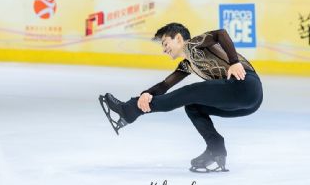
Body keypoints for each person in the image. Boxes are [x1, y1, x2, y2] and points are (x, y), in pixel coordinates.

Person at [99, 23, 263, 173]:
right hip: (249, 103)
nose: (164, 49)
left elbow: (221, 33)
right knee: (193, 107)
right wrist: (146, 93)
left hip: (245, 86)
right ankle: (216, 150)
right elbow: (164, 86)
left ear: (178, 38)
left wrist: (234, 62)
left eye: (165, 43)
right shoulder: (187, 64)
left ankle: (129, 110)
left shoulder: (193, 45)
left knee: (190, 92)